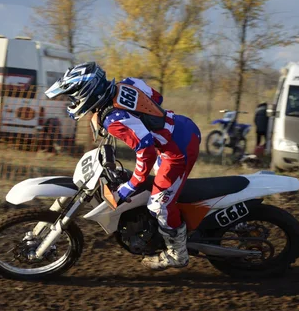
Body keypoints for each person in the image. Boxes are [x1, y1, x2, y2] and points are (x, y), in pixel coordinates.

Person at [45, 62, 201, 271]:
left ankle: (177, 254)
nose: (72, 102)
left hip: (176, 150)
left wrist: (131, 184)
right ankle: (171, 223)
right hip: (181, 125)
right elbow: (156, 98)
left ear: (87, 92)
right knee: (158, 188)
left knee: (159, 204)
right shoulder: (128, 83)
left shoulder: (113, 120)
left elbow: (144, 150)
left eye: (74, 96)